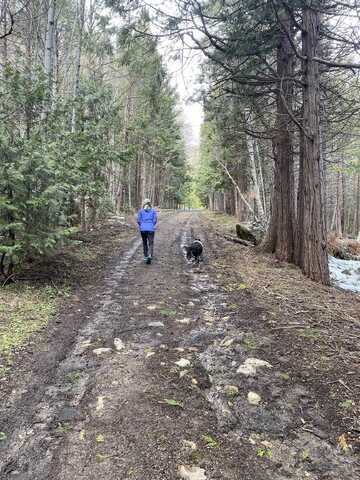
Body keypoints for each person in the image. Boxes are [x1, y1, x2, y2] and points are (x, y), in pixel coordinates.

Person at [137, 198, 157, 264]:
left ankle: (145, 256)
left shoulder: (140, 211)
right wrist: (151, 224)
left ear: (144, 203)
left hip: (143, 229)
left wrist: (142, 225)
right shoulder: (153, 210)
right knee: (151, 243)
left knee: (144, 242)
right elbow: (155, 220)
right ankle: (150, 255)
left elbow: (138, 220)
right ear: (150, 203)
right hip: (151, 228)